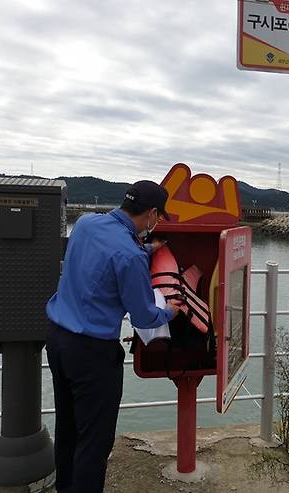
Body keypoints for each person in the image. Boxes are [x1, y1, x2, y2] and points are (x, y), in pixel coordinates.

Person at [45, 180, 180, 493]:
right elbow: (145, 316)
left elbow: (108, 252)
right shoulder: (130, 256)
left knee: (68, 429)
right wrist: (170, 311)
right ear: (151, 214)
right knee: (94, 441)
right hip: (92, 354)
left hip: (57, 341)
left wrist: (147, 249)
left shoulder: (85, 224)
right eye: (158, 217)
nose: (156, 223)